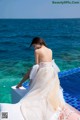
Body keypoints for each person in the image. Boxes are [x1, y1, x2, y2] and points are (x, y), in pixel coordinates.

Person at [0, 37, 80, 120]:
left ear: (39, 43)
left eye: (34, 45)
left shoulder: (37, 51)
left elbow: (36, 66)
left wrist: (32, 78)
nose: (34, 48)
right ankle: (21, 84)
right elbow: (49, 62)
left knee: (32, 75)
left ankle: (20, 83)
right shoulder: (50, 50)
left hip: (44, 72)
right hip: (51, 73)